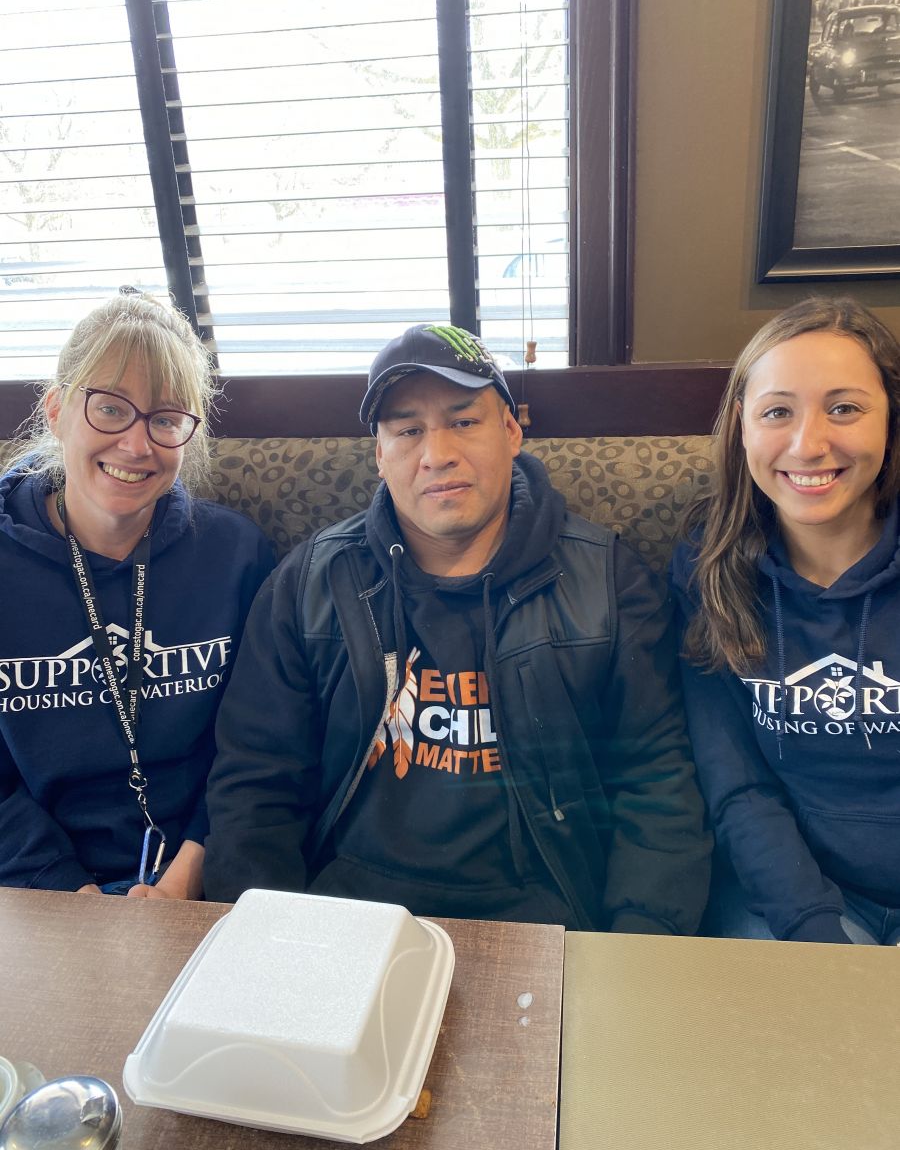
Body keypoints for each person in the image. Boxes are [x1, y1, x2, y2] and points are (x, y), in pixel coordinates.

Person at [204, 323, 711, 931]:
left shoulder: (609, 582)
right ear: (379, 454)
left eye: (464, 421)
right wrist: (269, 940)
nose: (437, 453)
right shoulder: (310, 584)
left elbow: (657, 785)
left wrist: (637, 947)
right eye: (408, 429)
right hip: (345, 919)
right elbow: (256, 786)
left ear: (512, 430)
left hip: (549, 918)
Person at [0, 291, 274, 898]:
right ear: (56, 410)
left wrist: (189, 874)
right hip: (29, 885)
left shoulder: (238, 556)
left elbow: (262, 745)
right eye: (111, 409)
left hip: (207, 871)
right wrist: (66, 892)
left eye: (166, 419)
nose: (136, 444)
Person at [671, 297, 900, 944]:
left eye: (845, 408)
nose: (809, 444)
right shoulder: (703, 566)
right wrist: (812, 929)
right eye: (778, 412)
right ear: (741, 426)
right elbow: (736, 781)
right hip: (789, 896)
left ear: (892, 419)